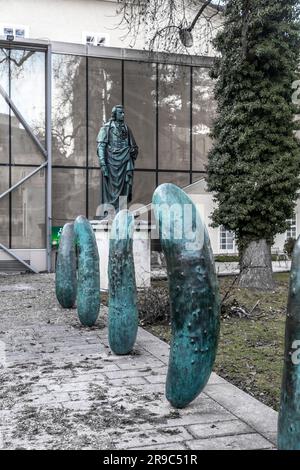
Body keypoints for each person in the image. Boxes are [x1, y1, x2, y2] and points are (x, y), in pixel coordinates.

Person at [97, 105, 138, 212]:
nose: (123, 115)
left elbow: (134, 146)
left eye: (123, 113)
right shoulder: (106, 128)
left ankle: (122, 211)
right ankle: (109, 211)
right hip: (111, 163)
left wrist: (132, 151)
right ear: (115, 114)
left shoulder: (126, 128)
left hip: (124, 162)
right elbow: (101, 146)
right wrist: (103, 163)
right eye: (120, 113)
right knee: (111, 190)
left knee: (125, 186)